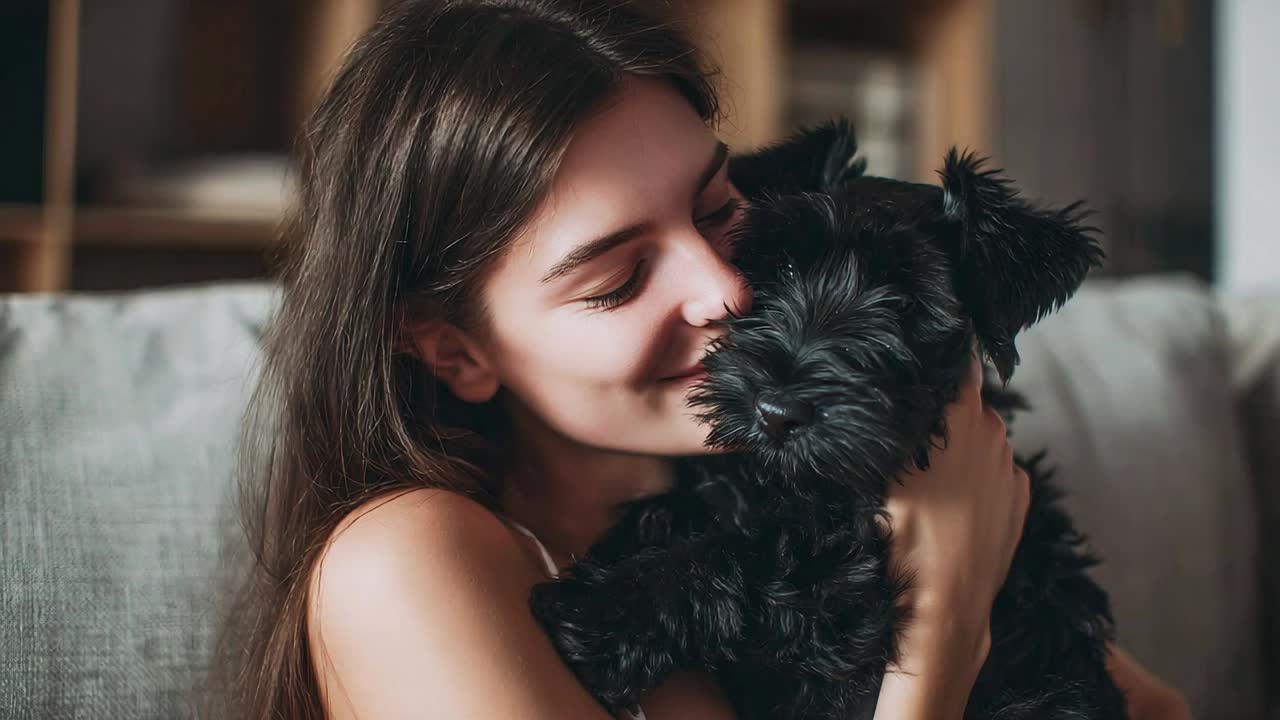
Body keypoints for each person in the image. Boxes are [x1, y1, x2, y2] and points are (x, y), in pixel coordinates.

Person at [208, 1, 1194, 718]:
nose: (723, 289)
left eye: (719, 210)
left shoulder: (794, 492)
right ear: (454, 350)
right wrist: (936, 618)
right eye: (616, 276)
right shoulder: (407, 565)